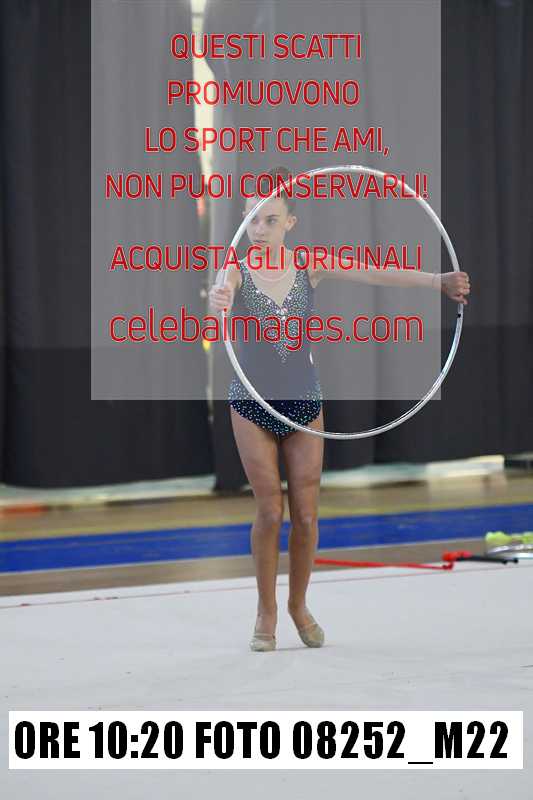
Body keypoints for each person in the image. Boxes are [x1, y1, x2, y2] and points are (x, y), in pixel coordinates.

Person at [209, 167, 471, 652]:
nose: (258, 229)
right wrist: (218, 301)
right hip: (252, 403)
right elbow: (217, 302)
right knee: (270, 510)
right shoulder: (236, 271)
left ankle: (298, 604)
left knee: (307, 515)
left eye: (269, 220)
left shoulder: (308, 264)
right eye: (252, 219)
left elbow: (373, 270)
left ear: (290, 223)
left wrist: (437, 280)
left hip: (304, 401)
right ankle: (266, 610)